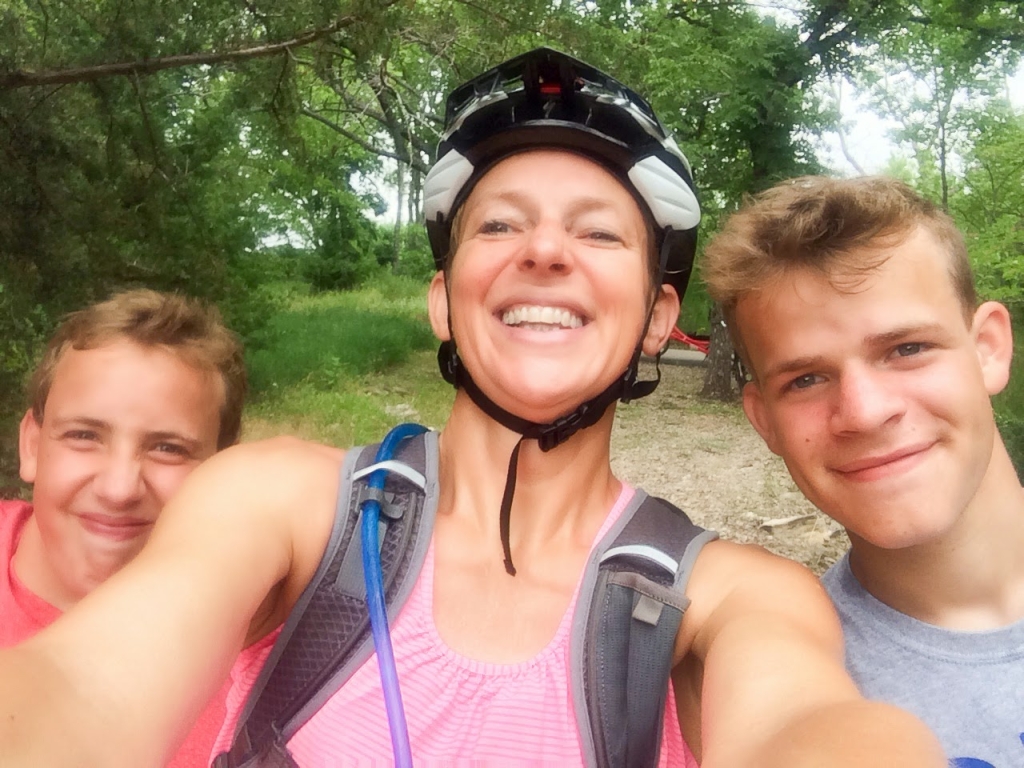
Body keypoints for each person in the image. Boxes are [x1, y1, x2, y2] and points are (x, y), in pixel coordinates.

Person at [0, 51, 944, 768]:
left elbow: (805, 723)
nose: (543, 251)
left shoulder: (731, 598)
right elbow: (82, 685)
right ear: (444, 298)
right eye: (498, 223)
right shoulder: (279, 506)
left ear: (659, 316)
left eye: (598, 232)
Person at [703, 175, 1024, 766]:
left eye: (907, 349)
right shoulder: (790, 677)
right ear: (764, 420)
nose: (866, 412)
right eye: (806, 379)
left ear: (988, 349)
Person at [1, 288, 247, 767]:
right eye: (84, 436)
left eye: (167, 448)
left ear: (225, 469)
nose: (119, 488)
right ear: (31, 445)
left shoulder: (269, 647)